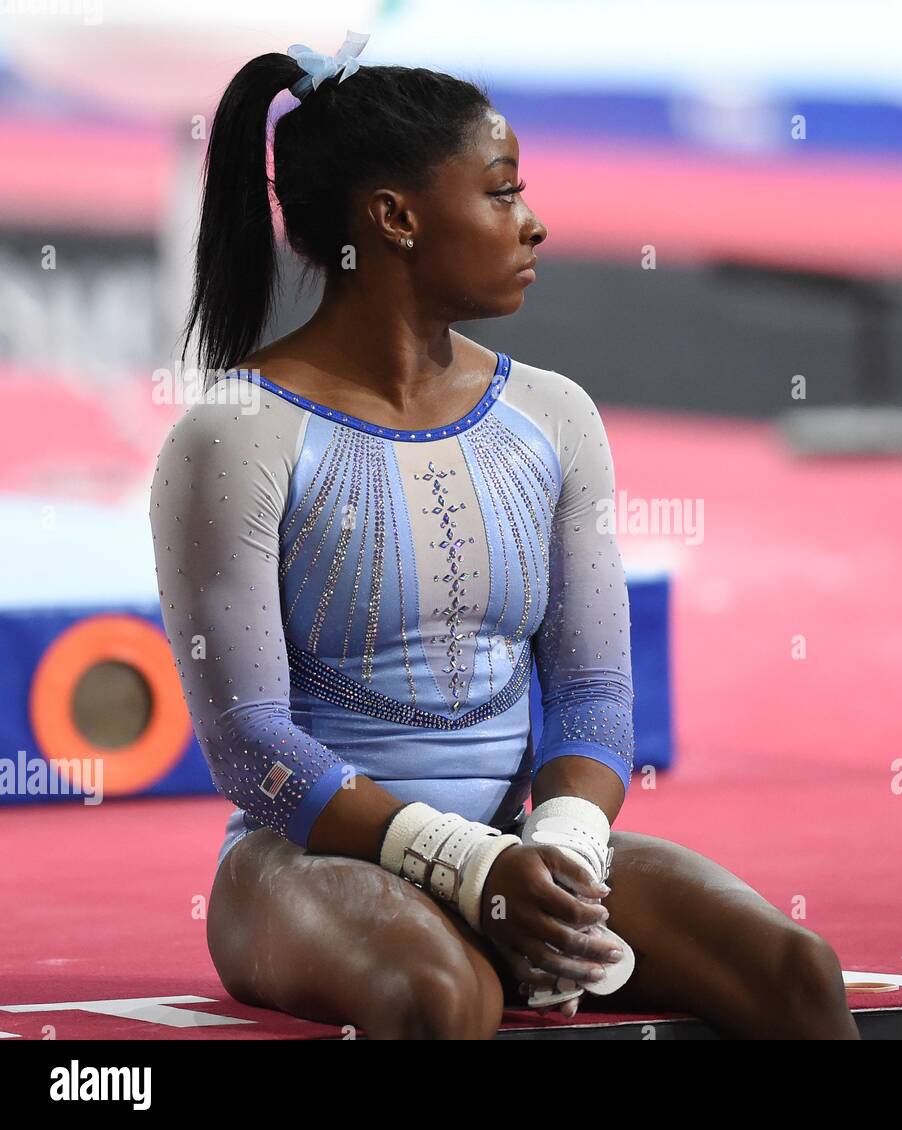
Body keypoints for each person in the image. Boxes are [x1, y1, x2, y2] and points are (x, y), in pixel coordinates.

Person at [150, 32, 861, 1039]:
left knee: (795, 969)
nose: (533, 224)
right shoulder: (235, 435)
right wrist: (466, 865)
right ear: (393, 217)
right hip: (299, 865)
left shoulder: (554, 415)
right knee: (441, 997)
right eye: (500, 192)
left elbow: (596, 694)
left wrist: (560, 847)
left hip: (521, 848)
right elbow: (249, 744)